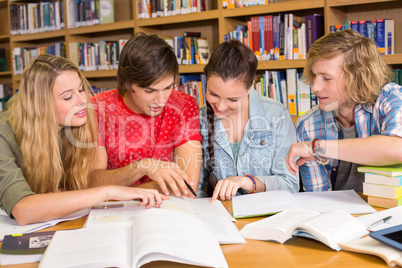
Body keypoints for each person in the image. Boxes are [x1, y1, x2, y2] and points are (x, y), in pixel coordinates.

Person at [0, 54, 167, 226]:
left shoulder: (75, 124)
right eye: (67, 97)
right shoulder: (3, 134)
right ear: (41, 105)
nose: (83, 101)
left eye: (80, 90)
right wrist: (107, 192)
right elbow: (23, 210)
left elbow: (71, 189)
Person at [285, 29, 402, 192]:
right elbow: (319, 197)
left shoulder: (392, 99)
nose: (315, 88)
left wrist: (317, 147)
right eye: (314, 76)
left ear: (357, 77)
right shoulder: (307, 125)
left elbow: (398, 149)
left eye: (327, 78)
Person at [90, 33, 202, 197]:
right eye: (150, 91)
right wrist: (141, 166)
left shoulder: (184, 105)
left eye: (168, 88)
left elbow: (187, 188)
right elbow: (92, 183)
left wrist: (114, 192)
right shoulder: (97, 108)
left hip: (164, 212)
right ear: (127, 83)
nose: (161, 100)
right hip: (114, 214)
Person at [197, 39, 299, 201]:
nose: (221, 106)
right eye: (213, 94)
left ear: (251, 86)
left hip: (267, 215)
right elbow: (195, 190)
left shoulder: (276, 115)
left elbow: (290, 183)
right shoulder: (199, 119)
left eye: (232, 99)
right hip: (219, 215)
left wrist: (248, 182)